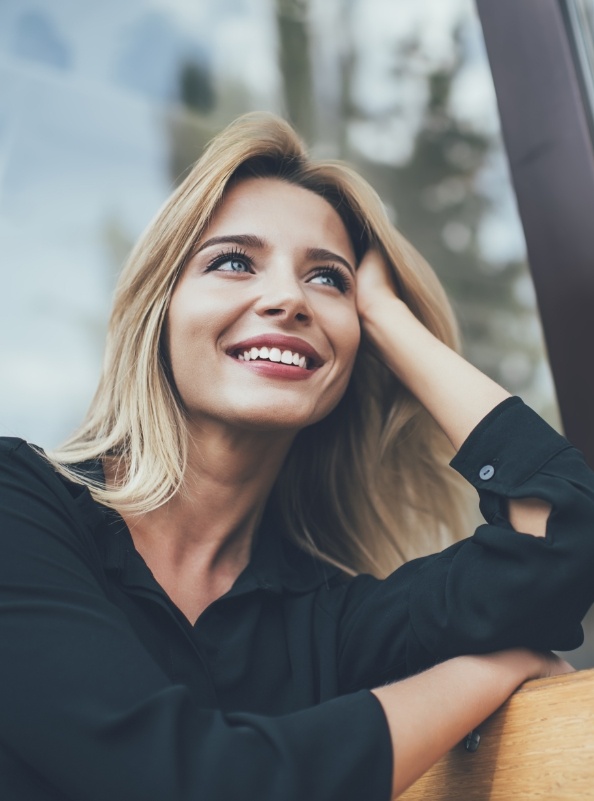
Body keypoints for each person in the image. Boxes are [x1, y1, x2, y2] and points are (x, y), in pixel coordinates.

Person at [1, 112, 593, 801]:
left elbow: (562, 537)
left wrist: (390, 318)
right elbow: (189, 782)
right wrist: (489, 671)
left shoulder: (330, 623)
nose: (286, 298)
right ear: (158, 313)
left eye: (327, 279)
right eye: (232, 262)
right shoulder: (21, 507)